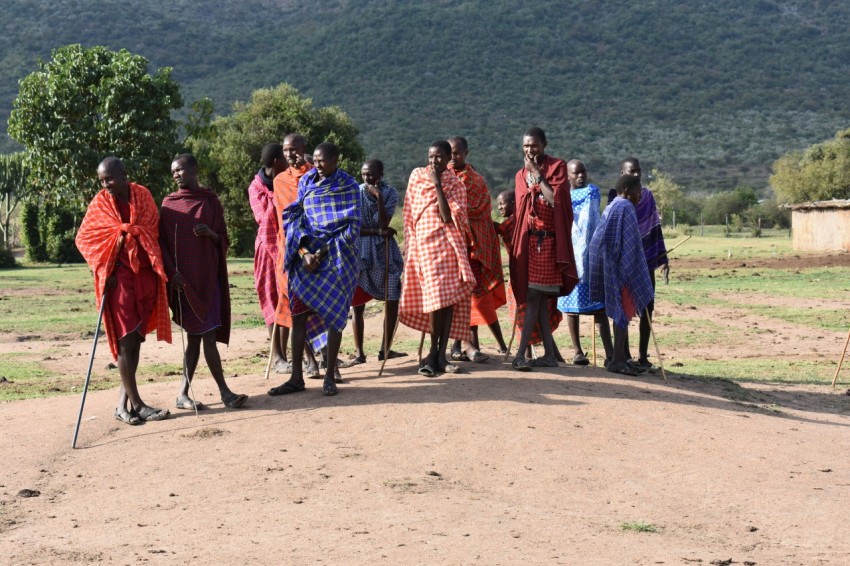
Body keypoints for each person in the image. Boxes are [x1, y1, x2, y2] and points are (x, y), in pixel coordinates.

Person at [75, 157, 172, 425]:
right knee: (126, 339)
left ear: (124, 174)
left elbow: (153, 227)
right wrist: (106, 269)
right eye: (102, 180)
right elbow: (84, 239)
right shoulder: (100, 203)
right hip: (118, 278)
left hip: (143, 274)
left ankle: (122, 405)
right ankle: (138, 404)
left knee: (136, 339)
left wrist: (132, 235)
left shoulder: (142, 195)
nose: (106, 185)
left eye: (110, 178)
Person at [268, 141, 360, 397]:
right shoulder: (307, 181)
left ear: (335, 161)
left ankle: (329, 375)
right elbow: (294, 217)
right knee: (298, 316)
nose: (318, 166)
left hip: (336, 260)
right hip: (305, 260)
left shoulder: (349, 186)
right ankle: (297, 377)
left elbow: (352, 227)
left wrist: (321, 253)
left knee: (334, 318)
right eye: (316, 161)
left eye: (323, 162)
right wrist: (305, 252)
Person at [159, 154, 248, 410]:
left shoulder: (210, 202)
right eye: (173, 171)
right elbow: (162, 243)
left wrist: (210, 234)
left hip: (210, 279)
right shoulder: (169, 205)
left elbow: (224, 239)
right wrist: (171, 272)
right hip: (184, 283)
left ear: (195, 170)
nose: (176, 174)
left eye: (180, 170)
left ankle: (184, 394)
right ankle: (224, 394)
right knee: (200, 337)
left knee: (202, 338)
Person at [399, 140, 475, 377]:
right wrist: (409, 245)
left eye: (440, 157)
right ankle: (434, 353)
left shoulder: (455, 184)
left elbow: (447, 217)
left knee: (446, 301)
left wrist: (438, 186)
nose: (434, 161)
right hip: (424, 248)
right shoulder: (416, 176)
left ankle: (439, 354)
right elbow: (409, 213)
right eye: (431, 157)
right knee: (434, 301)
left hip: (447, 249)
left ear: (448, 159)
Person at [509, 127, 578, 371]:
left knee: (534, 299)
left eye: (534, 146)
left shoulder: (557, 167)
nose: (530, 150)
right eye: (526, 146)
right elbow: (521, 211)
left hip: (549, 244)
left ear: (544, 145)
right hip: (529, 245)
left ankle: (519, 354)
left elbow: (555, 201)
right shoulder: (519, 176)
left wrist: (537, 174)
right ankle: (549, 354)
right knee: (535, 301)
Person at [588, 174, 654, 376]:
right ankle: (617, 360)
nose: (640, 196)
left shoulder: (612, 205)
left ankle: (620, 358)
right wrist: (632, 268)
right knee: (623, 312)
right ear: (627, 190)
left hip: (609, 264)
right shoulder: (625, 207)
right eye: (638, 191)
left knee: (620, 312)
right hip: (620, 268)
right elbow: (631, 243)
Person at [448, 136, 506, 361]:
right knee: (454, 298)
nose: (453, 157)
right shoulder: (441, 179)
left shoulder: (477, 181)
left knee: (473, 296)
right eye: (450, 153)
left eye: (457, 153)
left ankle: (470, 345)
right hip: (449, 248)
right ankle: (460, 345)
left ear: (466, 153)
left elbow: (482, 213)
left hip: (474, 250)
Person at [343, 159, 404, 366]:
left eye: (371, 174)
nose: (367, 178)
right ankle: (359, 353)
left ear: (380, 175)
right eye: (364, 174)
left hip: (384, 251)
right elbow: (353, 227)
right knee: (357, 303)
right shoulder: (355, 192)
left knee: (392, 296)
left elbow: (384, 222)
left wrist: (378, 198)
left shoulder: (390, 193)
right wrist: (377, 232)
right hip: (360, 251)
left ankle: (385, 349)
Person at [557, 160, 614, 365]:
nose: (581, 176)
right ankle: (577, 352)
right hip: (570, 257)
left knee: (599, 309)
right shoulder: (562, 197)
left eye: (583, 172)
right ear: (568, 176)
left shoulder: (592, 192)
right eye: (576, 173)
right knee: (571, 309)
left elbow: (591, 221)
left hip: (592, 258)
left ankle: (610, 354)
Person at [272, 133, 320, 375]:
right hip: (292, 251)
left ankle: (329, 363)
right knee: (297, 306)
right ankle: (310, 361)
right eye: (285, 150)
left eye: (294, 149)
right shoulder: (280, 181)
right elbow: (287, 221)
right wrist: (301, 250)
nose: (290, 154)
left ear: (304, 148)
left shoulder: (317, 175)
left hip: (320, 251)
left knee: (321, 307)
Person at [617, 157, 669, 371]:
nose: (636, 175)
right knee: (626, 308)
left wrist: (662, 257)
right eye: (631, 171)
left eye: (638, 171)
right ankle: (626, 355)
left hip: (646, 259)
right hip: (626, 262)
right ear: (622, 173)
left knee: (648, 307)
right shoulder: (617, 199)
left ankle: (643, 355)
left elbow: (654, 227)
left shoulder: (647, 196)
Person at [248, 143, 288, 372]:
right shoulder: (256, 188)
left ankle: (285, 353)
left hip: (287, 246)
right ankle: (277, 357)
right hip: (267, 249)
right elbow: (264, 218)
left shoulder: (287, 182)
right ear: (276, 162)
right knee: (271, 299)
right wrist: (280, 195)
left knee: (287, 300)